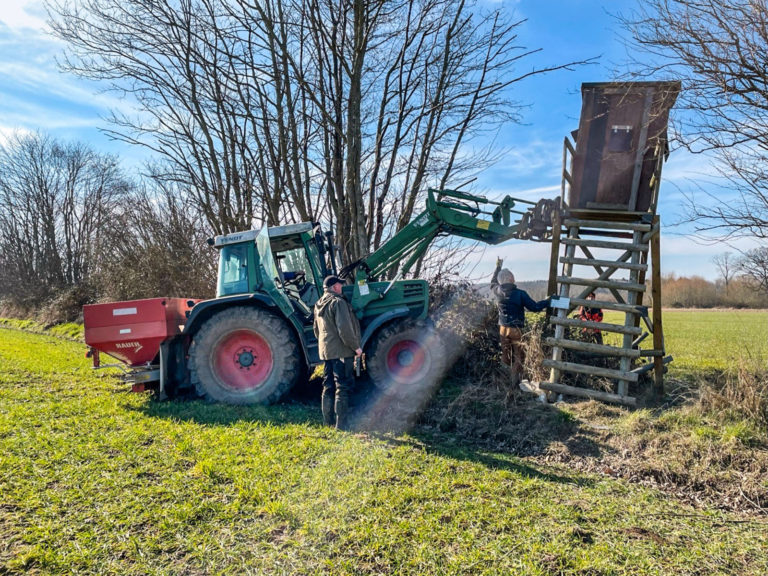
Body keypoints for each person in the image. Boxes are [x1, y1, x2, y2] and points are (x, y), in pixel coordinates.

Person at [313, 275, 362, 430]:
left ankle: (327, 422)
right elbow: (345, 330)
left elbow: (316, 330)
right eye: (340, 285)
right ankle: (342, 425)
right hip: (341, 351)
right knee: (342, 386)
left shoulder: (318, 304)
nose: (342, 287)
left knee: (327, 385)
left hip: (326, 352)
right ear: (334, 287)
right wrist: (356, 347)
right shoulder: (338, 303)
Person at [490, 258, 550, 385]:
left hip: (502, 328)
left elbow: (492, 282)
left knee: (505, 356)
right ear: (511, 279)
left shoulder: (497, 291)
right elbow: (535, 307)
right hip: (515, 329)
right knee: (519, 356)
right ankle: (514, 383)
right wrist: (548, 301)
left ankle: (503, 381)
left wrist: (498, 267)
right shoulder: (520, 294)